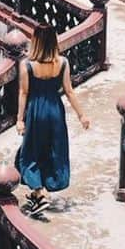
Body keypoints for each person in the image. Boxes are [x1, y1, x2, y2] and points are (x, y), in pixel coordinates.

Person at [15, 24, 89, 214]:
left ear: (36, 42)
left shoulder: (27, 65)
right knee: (52, 149)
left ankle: (39, 194)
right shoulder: (62, 62)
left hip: (36, 112)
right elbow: (69, 91)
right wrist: (82, 115)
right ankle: (38, 193)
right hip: (55, 110)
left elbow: (23, 93)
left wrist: (20, 119)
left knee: (31, 151)